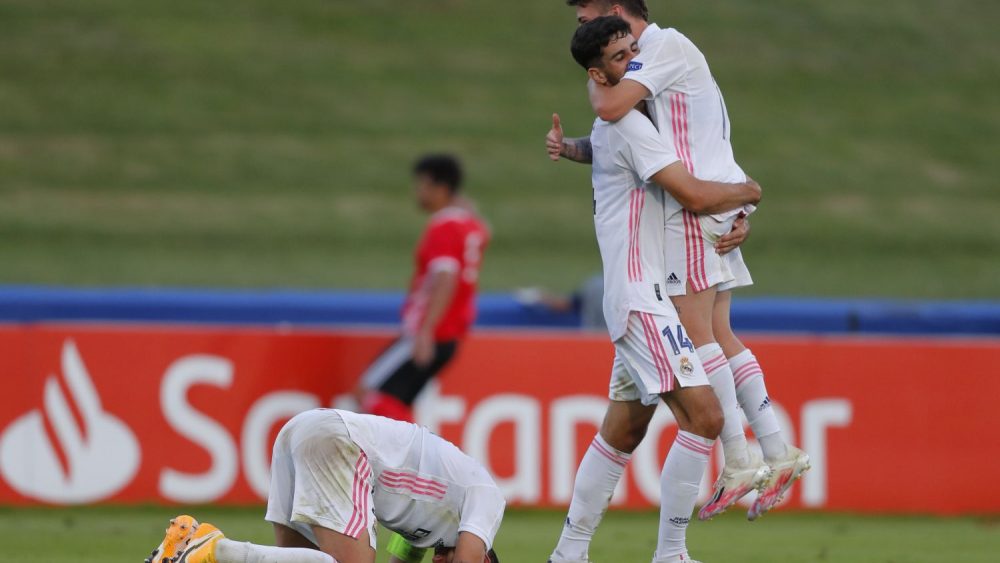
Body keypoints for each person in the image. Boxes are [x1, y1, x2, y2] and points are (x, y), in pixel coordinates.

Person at [548, 0, 809, 523]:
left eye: (586, 12)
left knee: (699, 336)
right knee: (719, 332)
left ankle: (739, 457)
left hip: (692, 210)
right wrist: (572, 149)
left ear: (618, 10)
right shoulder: (660, 57)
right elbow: (617, 142)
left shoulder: (656, 48)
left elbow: (610, 108)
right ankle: (779, 451)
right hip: (713, 198)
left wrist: (594, 77)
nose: (580, 19)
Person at [144, 409, 503, 563]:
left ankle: (187, 547)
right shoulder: (486, 497)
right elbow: (468, 557)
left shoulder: (431, 529)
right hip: (342, 443)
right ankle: (214, 551)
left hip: (303, 432)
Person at [356, 154, 490, 423]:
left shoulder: (443, 227)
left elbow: (445, 277)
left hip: (431, 332)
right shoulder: (469, 225)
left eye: (422, 186)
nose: (418, 192)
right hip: (450, 333)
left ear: (441, 189)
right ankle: (404, 460)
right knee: (395, 403)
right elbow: (485, 233)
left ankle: (411, 460)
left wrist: (426, 331)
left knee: (369, 394)